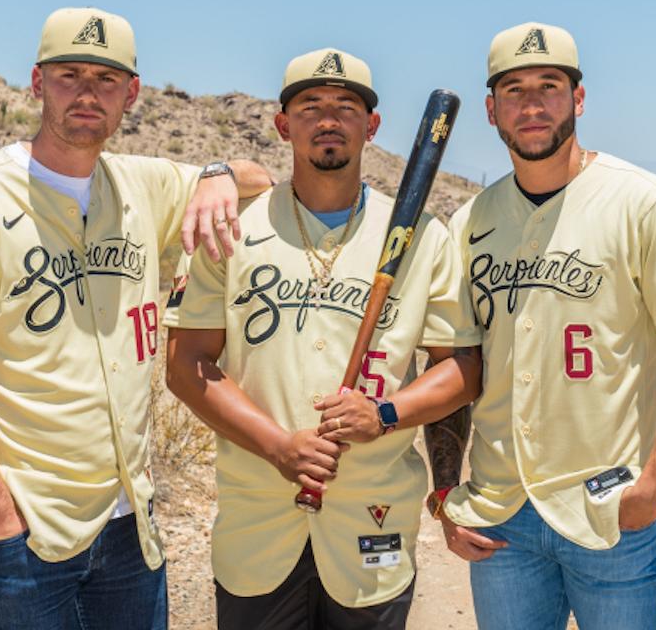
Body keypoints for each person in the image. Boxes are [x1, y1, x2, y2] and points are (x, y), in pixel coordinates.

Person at [0, 7, 271, 630]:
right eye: (69, 75)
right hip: (23, 528)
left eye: (107, 78)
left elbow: (259, 178)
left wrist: (216, 175)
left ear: (133, 93)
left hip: (129, 525)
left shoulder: (142, 184)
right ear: (38, 83)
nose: (88, 93)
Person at [424, 22, 656, 630]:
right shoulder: (469, 223)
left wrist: (654, 485)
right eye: (513, 90)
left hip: (611, 510)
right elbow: (452, 367)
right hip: (502, 513)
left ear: (579, 99)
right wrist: (444, 493)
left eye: (550, 86)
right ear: (491, 110)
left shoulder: (645, 204)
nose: (532, 105)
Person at [163, 47, 482, 630]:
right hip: (257, 526)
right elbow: (187, 366)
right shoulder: (234, 226)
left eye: (346, 106)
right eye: (310, 106)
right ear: (284, 125)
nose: (328, 119)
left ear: (372, 126)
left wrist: (385, 413)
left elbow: (462, 369)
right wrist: (279, 447)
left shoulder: (423, 236)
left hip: (373, 520)